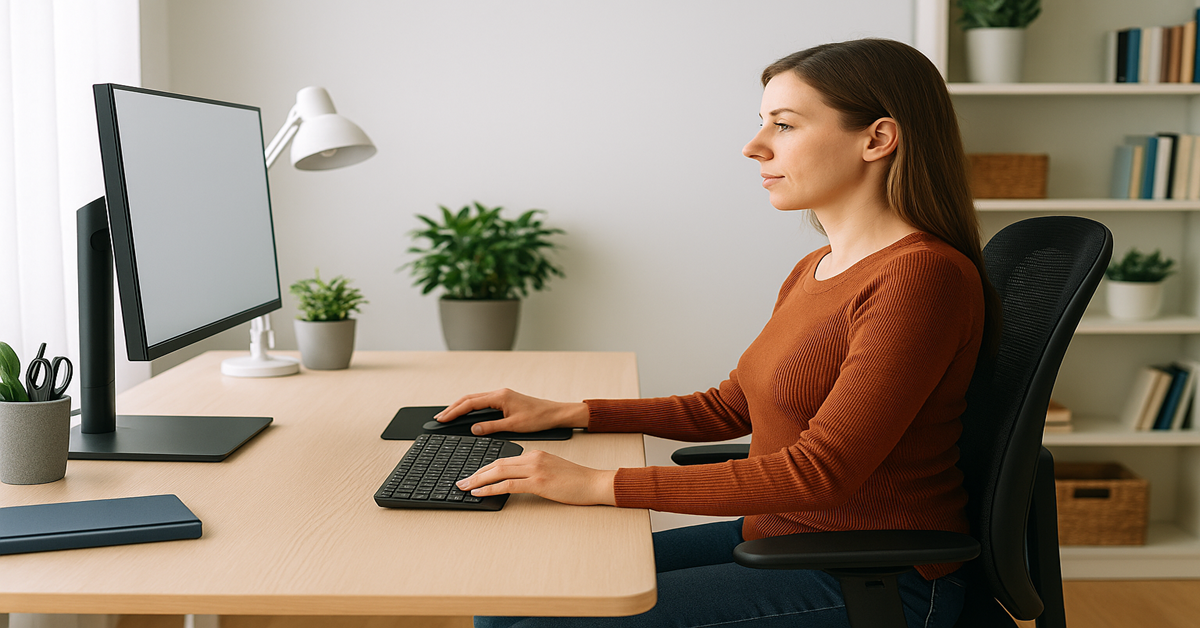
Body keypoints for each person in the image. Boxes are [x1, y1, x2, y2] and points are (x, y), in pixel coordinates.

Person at [445, 38, 1001, 628]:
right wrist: (568, 412)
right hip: (783, 539)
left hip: (877, 579)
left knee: (529, 626)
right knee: (508, 599)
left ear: (877, 139)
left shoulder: (923, 276)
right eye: (762, 123)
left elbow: (819, 473)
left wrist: (599, 483)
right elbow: (730, 407)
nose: (753, 146)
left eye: (784, 125)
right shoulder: (816, 266)